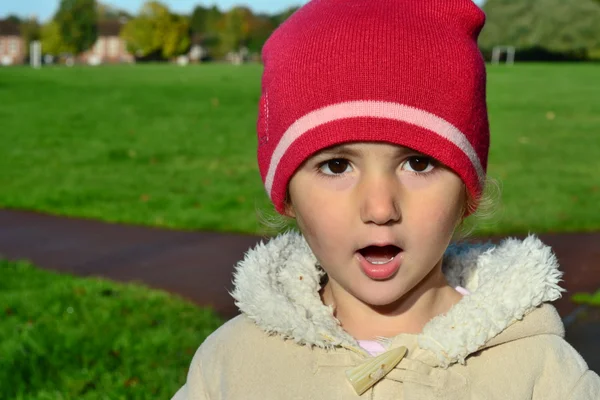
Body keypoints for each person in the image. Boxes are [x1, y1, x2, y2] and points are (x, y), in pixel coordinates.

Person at [172, 0, 600, 398]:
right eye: (337, 166)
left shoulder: (540, 374)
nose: (380, 209)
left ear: (469, 192)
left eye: (417, 164)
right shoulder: (231, 366)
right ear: (286, 197)